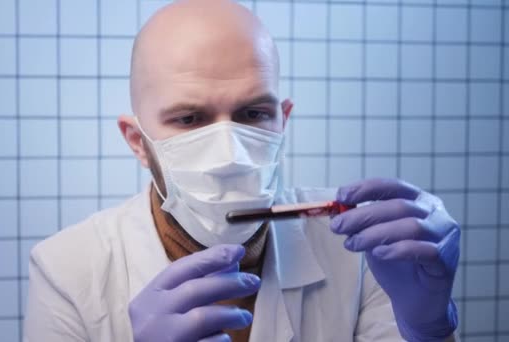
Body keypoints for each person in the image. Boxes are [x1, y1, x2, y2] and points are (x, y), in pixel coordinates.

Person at [23, 0, 460, 341]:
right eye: (190, 119)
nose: (229, 154)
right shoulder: (67, 270)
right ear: (138, 141)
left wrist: (431, 329)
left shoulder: (360, 250)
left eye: (253, 114)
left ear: (282, 121)